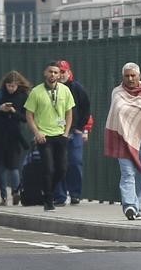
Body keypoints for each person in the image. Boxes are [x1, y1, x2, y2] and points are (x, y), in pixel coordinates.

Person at [104, 62, 141, 221]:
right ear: (122, 77)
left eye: (133, 75)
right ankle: (129, 205)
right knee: (127, 173)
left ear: (139, 76)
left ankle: (137, 207)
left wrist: (138, 118)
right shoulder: (117, 93)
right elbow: (120, 112)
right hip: (123, 139)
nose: (130, 79)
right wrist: (138, 115)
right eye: (127, 76)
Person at [24, 61, 75, 211]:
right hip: (44, 136)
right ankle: (48, 200)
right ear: (45, 73)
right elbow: (29, 115)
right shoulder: (36, 92)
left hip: (60, 134)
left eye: (55, 72)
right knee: (49, 168)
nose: (52, 75)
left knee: (62, 169)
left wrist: (66, 132)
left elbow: (69, 112)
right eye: (50, 72)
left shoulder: (65, 91)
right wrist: (36, 132)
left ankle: (48, 190)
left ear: (60, 75)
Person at [0, 71, 32, 206]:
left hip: (14, 135)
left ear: (18, 85)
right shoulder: (0, 94)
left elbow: (25, 118)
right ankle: (3, 196)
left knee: (13, 166)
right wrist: (0, 108)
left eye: (13, 86)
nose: (11, 88)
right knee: (1, 167)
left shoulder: (23, 97)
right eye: (9, 85)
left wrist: (13, 112)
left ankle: (16, 192)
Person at [53, 60, 92, 206]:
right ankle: (60, 195)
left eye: (63, 72)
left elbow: (86, 108)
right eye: (58, 72)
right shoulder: (50, 89)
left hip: (74, 131)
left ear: (69, 72)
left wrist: (81, 127)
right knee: (58, 163)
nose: (61, 75)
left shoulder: (77, 88)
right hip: (56, 131)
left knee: (75, 161)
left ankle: (75, 194)